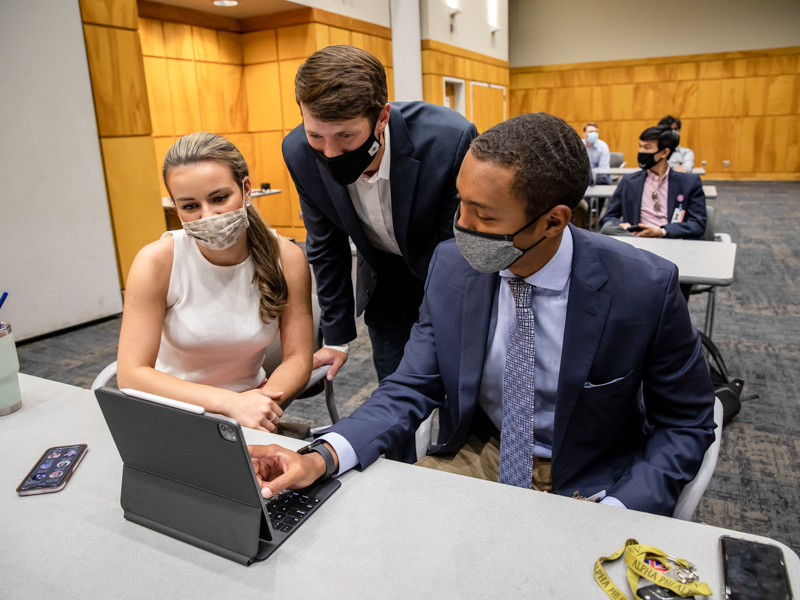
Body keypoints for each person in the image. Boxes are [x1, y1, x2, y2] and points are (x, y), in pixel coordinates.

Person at [249, 113, 717, 517]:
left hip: (594, 477)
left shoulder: (643, 288)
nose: (463, 227)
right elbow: (411, 384)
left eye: (485, 216)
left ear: (554, 221)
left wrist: (617, 511)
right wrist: (322, 456)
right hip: (480, 452)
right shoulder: (452, 265)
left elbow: (685, 424)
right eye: (461, 203)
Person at [282, 45, 478, 386]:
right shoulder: (299, 152)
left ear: (382, 118)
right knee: (395, 388)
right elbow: (326, 246)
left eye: (345, 136)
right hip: (385, 279)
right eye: (316, 135)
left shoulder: (448, 140)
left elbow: (461, 244)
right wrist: (336, 337)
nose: (329, 152)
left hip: (448, 270)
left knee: (455, 389)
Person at [117, 132, 314, 433]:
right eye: (190, 206)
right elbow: (132, 374)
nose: (208, 215)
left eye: (220, 198)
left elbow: (298, 357)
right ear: (175, 207)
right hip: (172, 409)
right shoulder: (156, 262)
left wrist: (262, 404)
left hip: (251, 411)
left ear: (246, 189)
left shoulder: (286, 259)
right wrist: (229, 403)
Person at [600, 124, 707, 240]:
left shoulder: (689, 183)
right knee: (607, 229)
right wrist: (622, 225)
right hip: (639, 241)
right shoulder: (629, 181)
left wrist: (661, 232)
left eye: (647, 148)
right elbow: (608, 217)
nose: (641, 151)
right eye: (640, 146)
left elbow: (697, 224)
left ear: (664, 153)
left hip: (672, 241)